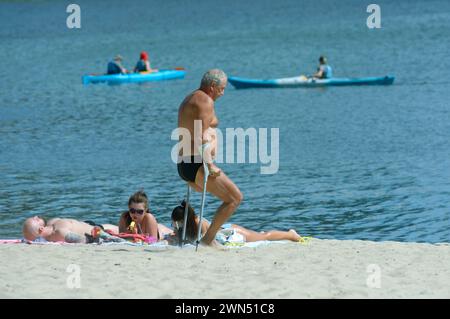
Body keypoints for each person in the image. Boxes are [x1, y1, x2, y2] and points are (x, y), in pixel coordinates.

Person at [177, 69, 243, 246]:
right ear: (212, 86)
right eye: (221, 89)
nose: (223, 93)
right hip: (197, 162)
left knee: (229, 197)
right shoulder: (205, 101)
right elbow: (200, 136)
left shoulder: (191, 98)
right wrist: (210, 164)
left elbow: (209, 124)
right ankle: (208, 240)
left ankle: (204, 237)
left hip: (184, 163)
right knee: (234, 198)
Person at [170, 201, 302, 244]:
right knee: (259, 235)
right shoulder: (186, 226)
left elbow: (207, 239)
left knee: (264, 237)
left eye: (177, 223)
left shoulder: (198, 222)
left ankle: (290, 234)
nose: (176, 226)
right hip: (223, 232)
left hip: (229, 232)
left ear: (183, 220)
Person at [22, 216, 118, 243]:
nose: (36, 216)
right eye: (35, 219)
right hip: (99, 229)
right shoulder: (59, 233)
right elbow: (82, 240)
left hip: (87, 224)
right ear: (41, 229)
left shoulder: (51, 223)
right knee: (124, 229)